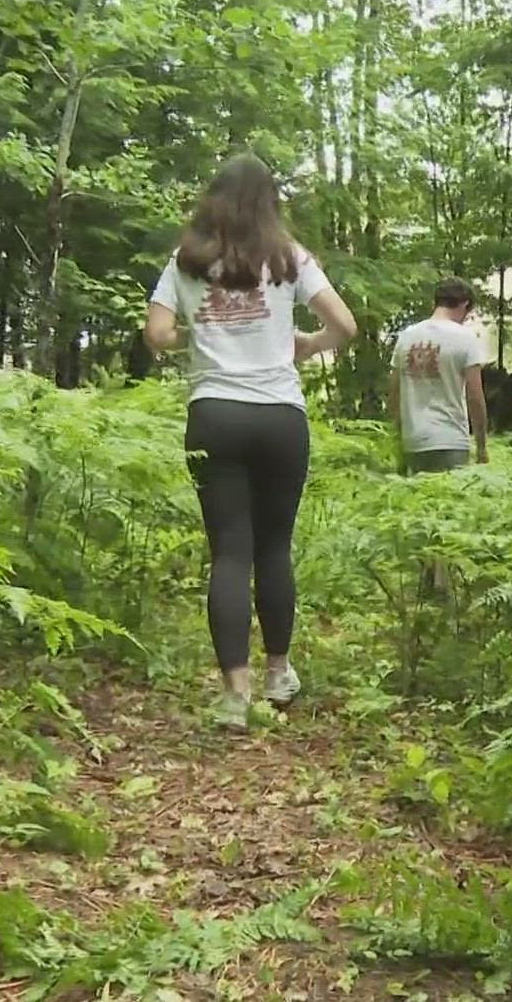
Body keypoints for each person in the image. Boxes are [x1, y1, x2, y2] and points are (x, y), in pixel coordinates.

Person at [143, 154, 357, 732]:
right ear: (270, 202)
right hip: (279, 417)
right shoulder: (290, 257)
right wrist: (308, 344)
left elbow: (157, 335)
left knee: (230, 553)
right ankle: (278, 673)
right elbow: (346, 326)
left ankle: (234, 697)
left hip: (214, 415)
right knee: (274, 547)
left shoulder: (186, 261)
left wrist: (202, 335)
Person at [391, 277, 490, 474]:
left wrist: (399, 439)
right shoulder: (466, 339)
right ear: (464, 304)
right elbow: (475, 398)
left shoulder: (406, 337)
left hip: (413, 442)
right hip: (450, 440)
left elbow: (394, 394)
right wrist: (481, 446)